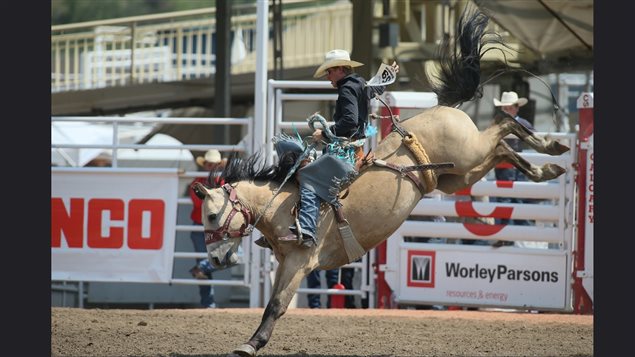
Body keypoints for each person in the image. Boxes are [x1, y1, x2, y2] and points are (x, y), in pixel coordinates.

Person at [277, 49, 399, 247]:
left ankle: (307, 228)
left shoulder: (346, 89)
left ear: (340, 69)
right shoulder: (358, 84)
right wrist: (387, 76)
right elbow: (373, 90)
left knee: (307, 177)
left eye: (329, 72)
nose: (328, 77)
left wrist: (324, 133)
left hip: (345, 155)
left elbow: (349, 122)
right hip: (352, 151)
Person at [491, 91, 535, 246]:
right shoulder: (499, 123)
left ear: (516, 108)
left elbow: (534, 138)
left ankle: (519, 237)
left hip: (515, 166)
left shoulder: (520, 123)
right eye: (505, 108)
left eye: (509, 108)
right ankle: (507, 236)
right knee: (505, 198)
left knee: (517, 198)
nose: (507, 111)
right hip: (504, 166)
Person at [188, 149, 225, 308]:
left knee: (232, 254)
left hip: (212, 226)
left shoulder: (221, 181)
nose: (211, 167)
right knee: (228, 256)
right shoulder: (200, 182)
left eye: (214, 164)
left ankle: (201, 267)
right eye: (209, 164)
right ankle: (208, 304)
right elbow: (201, 204)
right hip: (203, 226)